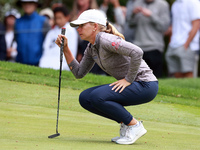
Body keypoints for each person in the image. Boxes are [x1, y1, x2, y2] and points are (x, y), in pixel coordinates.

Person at [55, 9, 158, 145]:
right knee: (85, 98)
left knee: (97, 96)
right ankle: (126, 124)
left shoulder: (106, 39)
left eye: (82, 25)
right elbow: (79, 73)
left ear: (95, 27)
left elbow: (137, 52)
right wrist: (66, 49)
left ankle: (134, 125)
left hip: (146, 85)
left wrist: (128, 79)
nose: (78, 29)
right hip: (137, 84)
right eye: (78, 26)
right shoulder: (92, 47)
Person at [129, 0, 170, 78]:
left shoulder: (163, 4)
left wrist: (151, 15)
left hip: (155, 47)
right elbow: (130, 24)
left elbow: (164, 27)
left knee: (156, 78)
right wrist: (133, 14)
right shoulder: (137, 3)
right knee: (138, 78)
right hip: (139, 47)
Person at [165, 0, 200, 78]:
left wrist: (186, 44)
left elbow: (196, 24)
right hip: (173, 44)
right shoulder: (175, 4)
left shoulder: (193, 2)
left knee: (188, 73)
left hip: (187, 44)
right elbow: (173, 26)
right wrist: (170, 42)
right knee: (176, 74)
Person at [39, 6, 78, 70]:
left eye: (60, 18)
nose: (57, 21)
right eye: (56, 18)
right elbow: (45, 48)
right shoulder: (51, 32)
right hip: (46, 63)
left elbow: (72, 50)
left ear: (67, 17)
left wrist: (67, 66)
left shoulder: (71, 31)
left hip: (62, 65)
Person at [15, 0, 51, 66]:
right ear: (21, 5)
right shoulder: (17, 22)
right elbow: (16, 40)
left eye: (30, 3)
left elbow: (48, 44)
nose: (27, 5)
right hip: (19, 63)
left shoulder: (43, 21)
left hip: (39, 64)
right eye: (25, 3)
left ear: (36, 5)